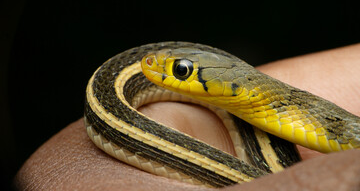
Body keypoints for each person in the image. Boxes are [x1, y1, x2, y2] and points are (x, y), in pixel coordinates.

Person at [14, 44, 360, 191]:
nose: (149, 64)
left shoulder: (300, 112)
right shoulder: (256, 102)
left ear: (241, 89)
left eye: (182, 71)